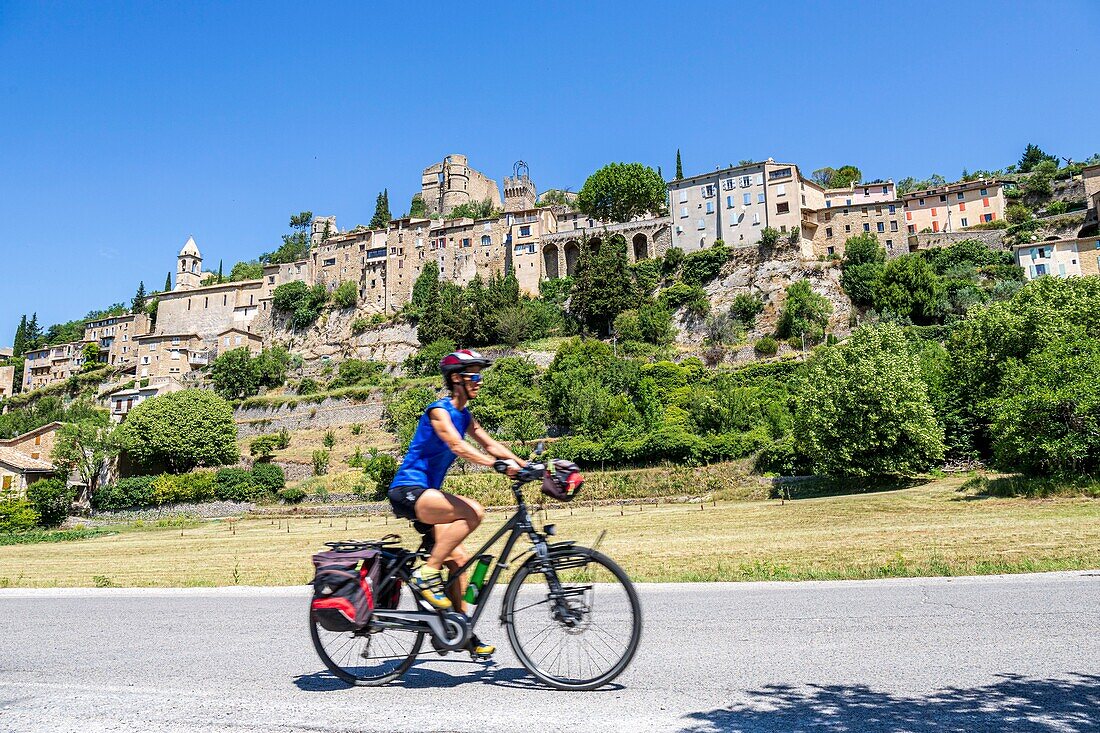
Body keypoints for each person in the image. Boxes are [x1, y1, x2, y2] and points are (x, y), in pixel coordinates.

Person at [387, 348, 526, 659]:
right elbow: (456, 445)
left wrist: (525, 465)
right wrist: (496, 466)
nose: (479, 381)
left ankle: (457, 630)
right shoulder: (438, 411)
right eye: (473, 375)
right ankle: (427, 573)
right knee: (473, 511)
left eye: (479, 375)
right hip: (409, 490)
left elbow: (490, 444)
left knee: (460, 559)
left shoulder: (466, 416)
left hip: (427, 495)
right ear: (456, 379)